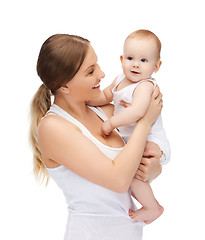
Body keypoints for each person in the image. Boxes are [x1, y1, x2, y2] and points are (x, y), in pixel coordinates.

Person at [29, 34, 167, 240]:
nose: (102, 74)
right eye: (91, 71)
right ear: (65, 86)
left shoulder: (105, 111)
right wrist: (145, 122)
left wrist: (156, 166)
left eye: (97, 65)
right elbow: (119, 180)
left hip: (130, 232)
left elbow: (144, 149)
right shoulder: (53, 127)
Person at [87, 29, 170, 223]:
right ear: (121, 58)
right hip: (135, 140)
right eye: (131, 58)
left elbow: (137, 112)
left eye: (144, 60)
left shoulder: (145, 86)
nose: (135, 64)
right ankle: (149, 203)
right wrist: (88, 100)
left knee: (132, 173)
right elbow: (105, 96)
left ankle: (152, 207)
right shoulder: (118, 80)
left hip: (152, 140)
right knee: (129, 172)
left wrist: (111, 123)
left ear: (156, 66)